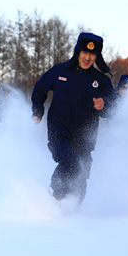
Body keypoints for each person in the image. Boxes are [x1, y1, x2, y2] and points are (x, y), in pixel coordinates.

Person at [31, 32, 115, 202]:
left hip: (85, 138)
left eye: (92, 54)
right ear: (78, 51)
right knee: (71, 163)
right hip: (59, 131)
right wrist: (37, 111)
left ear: (96, 56)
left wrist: (104, 105)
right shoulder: (59, 71)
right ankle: (54, 200)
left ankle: (71, 214)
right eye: (84, 52)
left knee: (80, 184)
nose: (87, 57)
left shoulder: (101, 81)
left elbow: (113, 110)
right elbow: (40, 90)